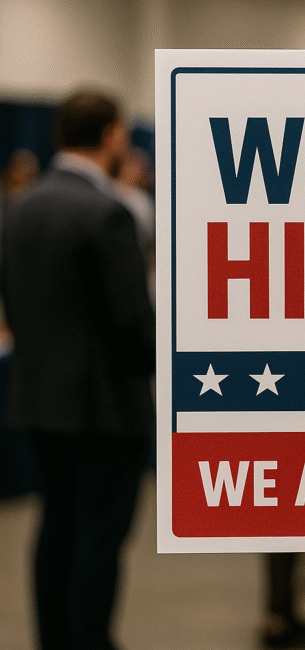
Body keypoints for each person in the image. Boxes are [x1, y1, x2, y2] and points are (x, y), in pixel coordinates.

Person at [0, 91, 155, 650]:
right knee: (97, 542)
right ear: (112, 136)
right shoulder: (105, 214)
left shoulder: (19, 207)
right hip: (106, 410)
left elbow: (16, 309)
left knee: (55, 531)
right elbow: (134, 326)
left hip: (40, 400)